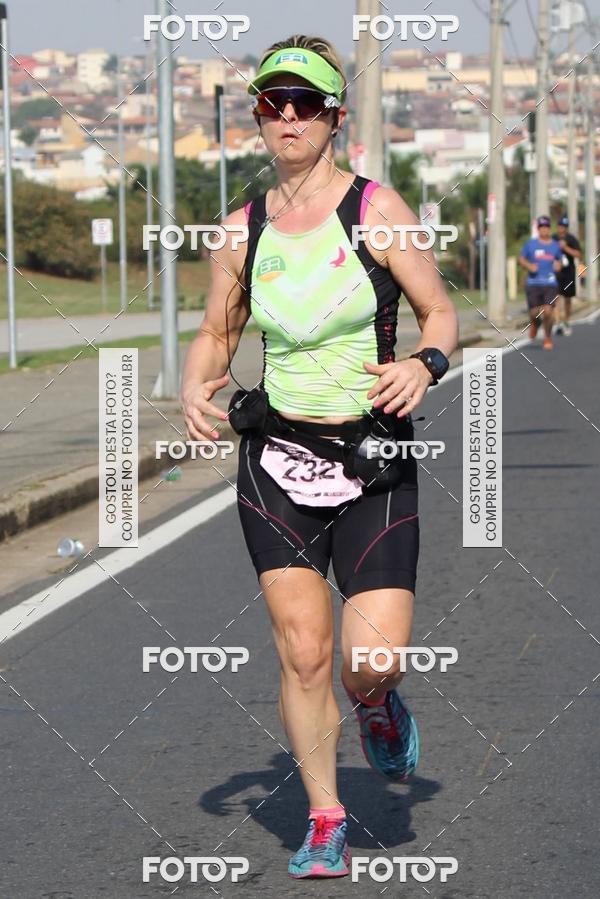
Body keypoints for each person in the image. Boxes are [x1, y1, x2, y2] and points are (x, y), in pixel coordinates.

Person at [180, 34, 458, 879]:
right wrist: (198, 382)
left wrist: (423, 362)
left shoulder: (376, 209)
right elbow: (218, 330)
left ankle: (375, 705)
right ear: (258, 117)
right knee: (303, 651)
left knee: (368, 660)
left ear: (335, 116)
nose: (289, 116)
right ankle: (326, 815)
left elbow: (441, 312)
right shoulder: (241, 230)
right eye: (273, 103)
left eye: (306, 103)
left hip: (371, 456)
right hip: (277, 460)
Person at [518, 216, 563, 350]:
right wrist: (529, 266)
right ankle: (535, 324)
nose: (544, 229)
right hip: (533, 283)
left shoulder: (555, 246)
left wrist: (558, 266)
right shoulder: (530, 244)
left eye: (546, 227)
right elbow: (521, 259)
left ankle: (547, 337)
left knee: (548, 311)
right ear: (538, 229)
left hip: (550, 284)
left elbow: (559, 262)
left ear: (549, 228)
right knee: (533, 313)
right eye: (541, 227)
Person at [552, 215, 581, 336]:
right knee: (557, 297)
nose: (561, 228)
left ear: (566, 228)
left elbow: (578, 254)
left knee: (568, 298)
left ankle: (566, 321)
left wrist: (566, 247)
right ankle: (558, 322)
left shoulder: (572, 239)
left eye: (564, 226)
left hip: (569, 272)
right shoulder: (553, 238)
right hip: (556, 272)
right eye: (560, 226)